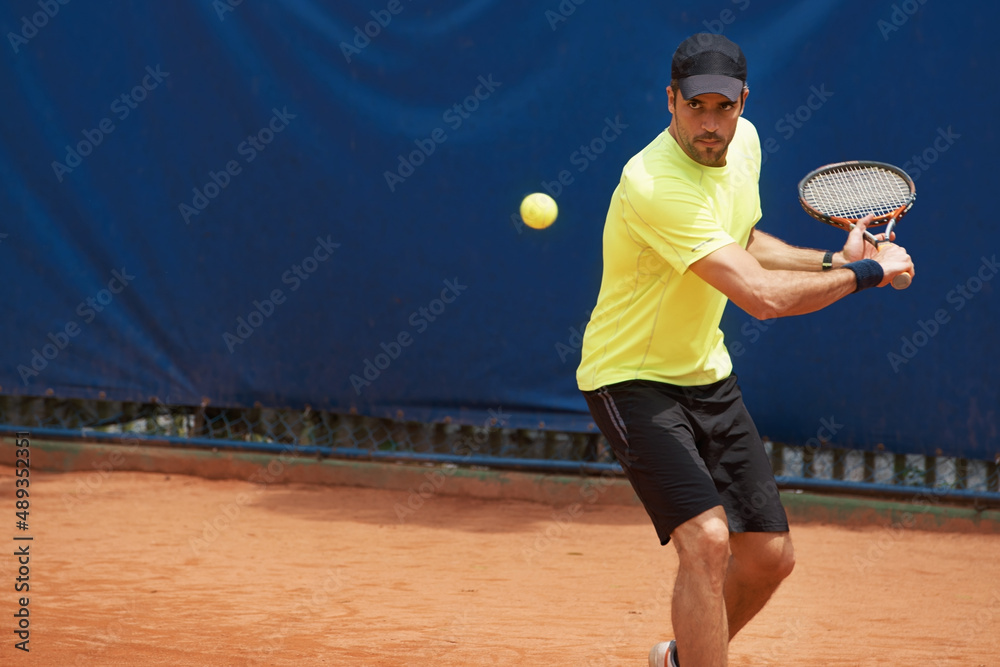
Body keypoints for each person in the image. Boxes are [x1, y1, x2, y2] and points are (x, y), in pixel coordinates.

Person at [576, 33, 914, 667]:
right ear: (669, 101)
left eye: (723, 108)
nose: (710, 123)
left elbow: (745, 239)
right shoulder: (653, 183)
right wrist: (867, 275)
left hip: (707, 373)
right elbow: (761, 298)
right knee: (705, 541)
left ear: (743, 103)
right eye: (695, 106)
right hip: (630, 378)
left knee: (766, 558)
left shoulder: (745, 142)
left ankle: (683, 658)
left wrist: (827, 259)